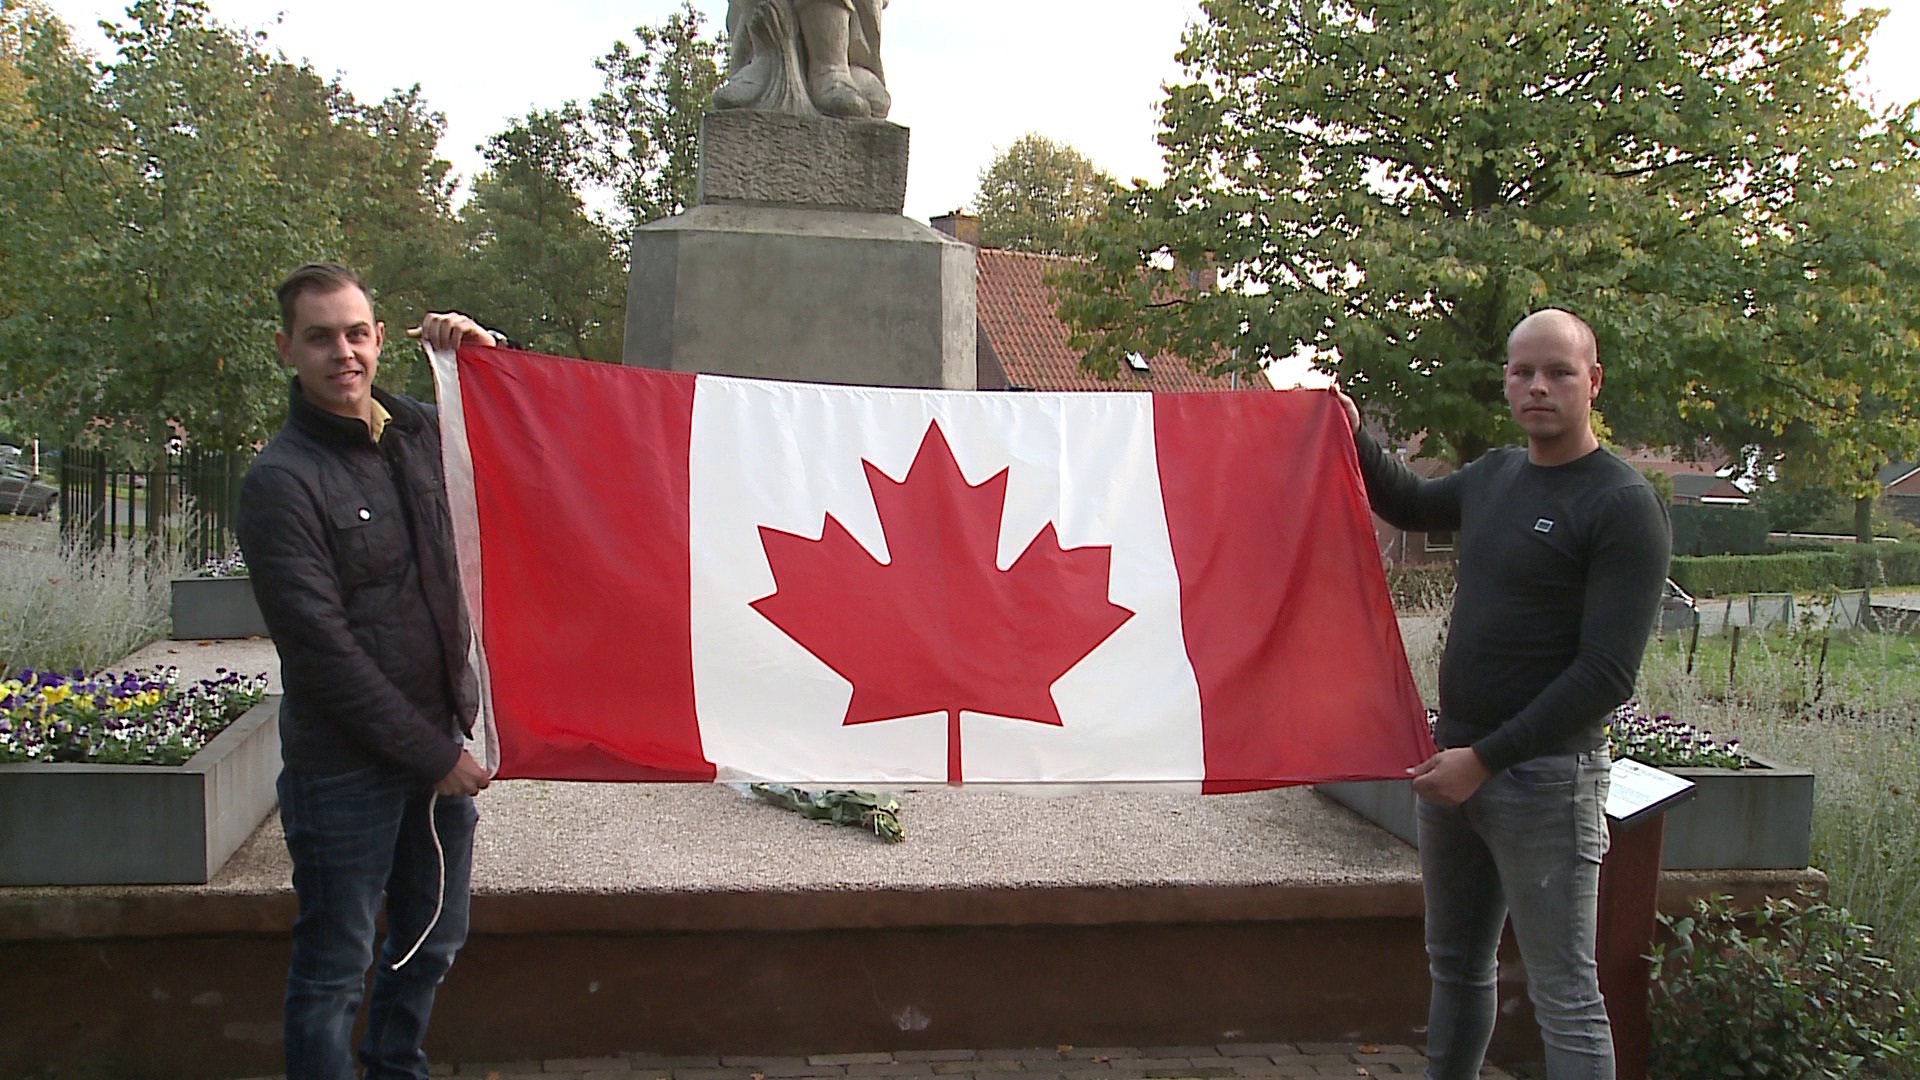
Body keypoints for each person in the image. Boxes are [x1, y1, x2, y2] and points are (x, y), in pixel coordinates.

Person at [1333, 309, 1670, 1079]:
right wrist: (1352, 434)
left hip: (1545, 779)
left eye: (1557, 371)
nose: (1538, 386)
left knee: (1565, 993)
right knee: (1455, 966)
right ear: (1507, 383)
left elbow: (1605, 675)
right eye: (1522, 371)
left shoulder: (1621, 504)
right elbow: (1412, 504)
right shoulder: (1495, 476)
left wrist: (1483, 760)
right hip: (1457, 765)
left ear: (1594, 380)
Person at [237, 262, 498, 1080]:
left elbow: (516, 440)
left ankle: (396, 1069)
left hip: (437, 751)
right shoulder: (279, 482)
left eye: (356, 333)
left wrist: (486, 359)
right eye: (320, 337)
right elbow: (320, 654)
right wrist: (434, 757)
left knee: (432, 939)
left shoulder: (417, 433)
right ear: (288, 349)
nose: (342, 352)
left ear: (381, 339)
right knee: (333, 971)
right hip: (347, 771)